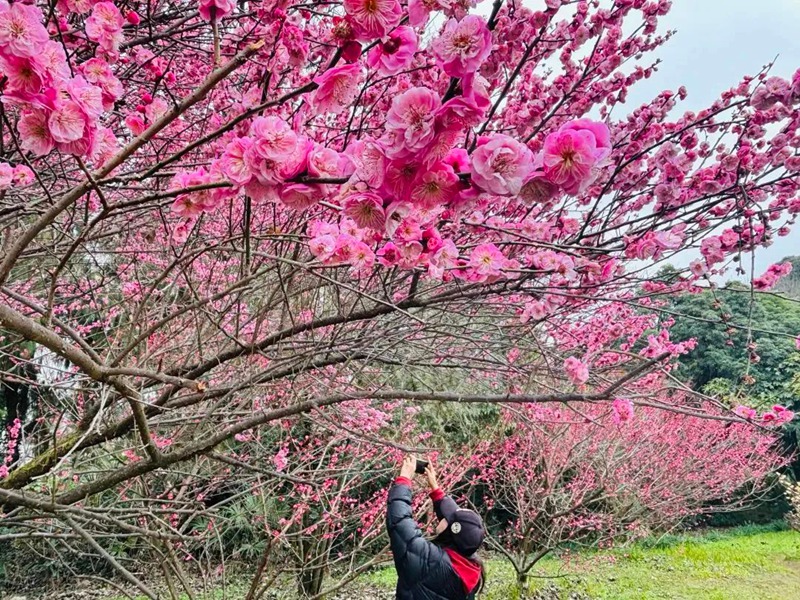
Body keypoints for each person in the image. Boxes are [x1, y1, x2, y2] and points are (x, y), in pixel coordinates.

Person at [386, 455, 486, 599]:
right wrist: (436, 490)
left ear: (451, 531)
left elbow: (400, 522)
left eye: (446, 519)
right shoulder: (471, 569)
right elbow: (454, 520)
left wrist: (404, 480)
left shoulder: (429, 560)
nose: (442, 518)